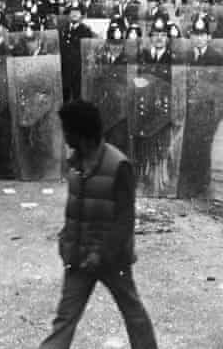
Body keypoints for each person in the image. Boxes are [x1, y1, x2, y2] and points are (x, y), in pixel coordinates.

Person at [39, 100, 158, 349]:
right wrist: (66, 240)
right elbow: (73, 211)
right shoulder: (75, 165)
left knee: (133, 315)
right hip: (78, 257)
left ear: (81, 134)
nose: (65, 137)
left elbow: (125, 220)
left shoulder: (119, 165)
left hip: (112, 261)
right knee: (64, 319)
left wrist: (102, 254)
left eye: (68, 131)